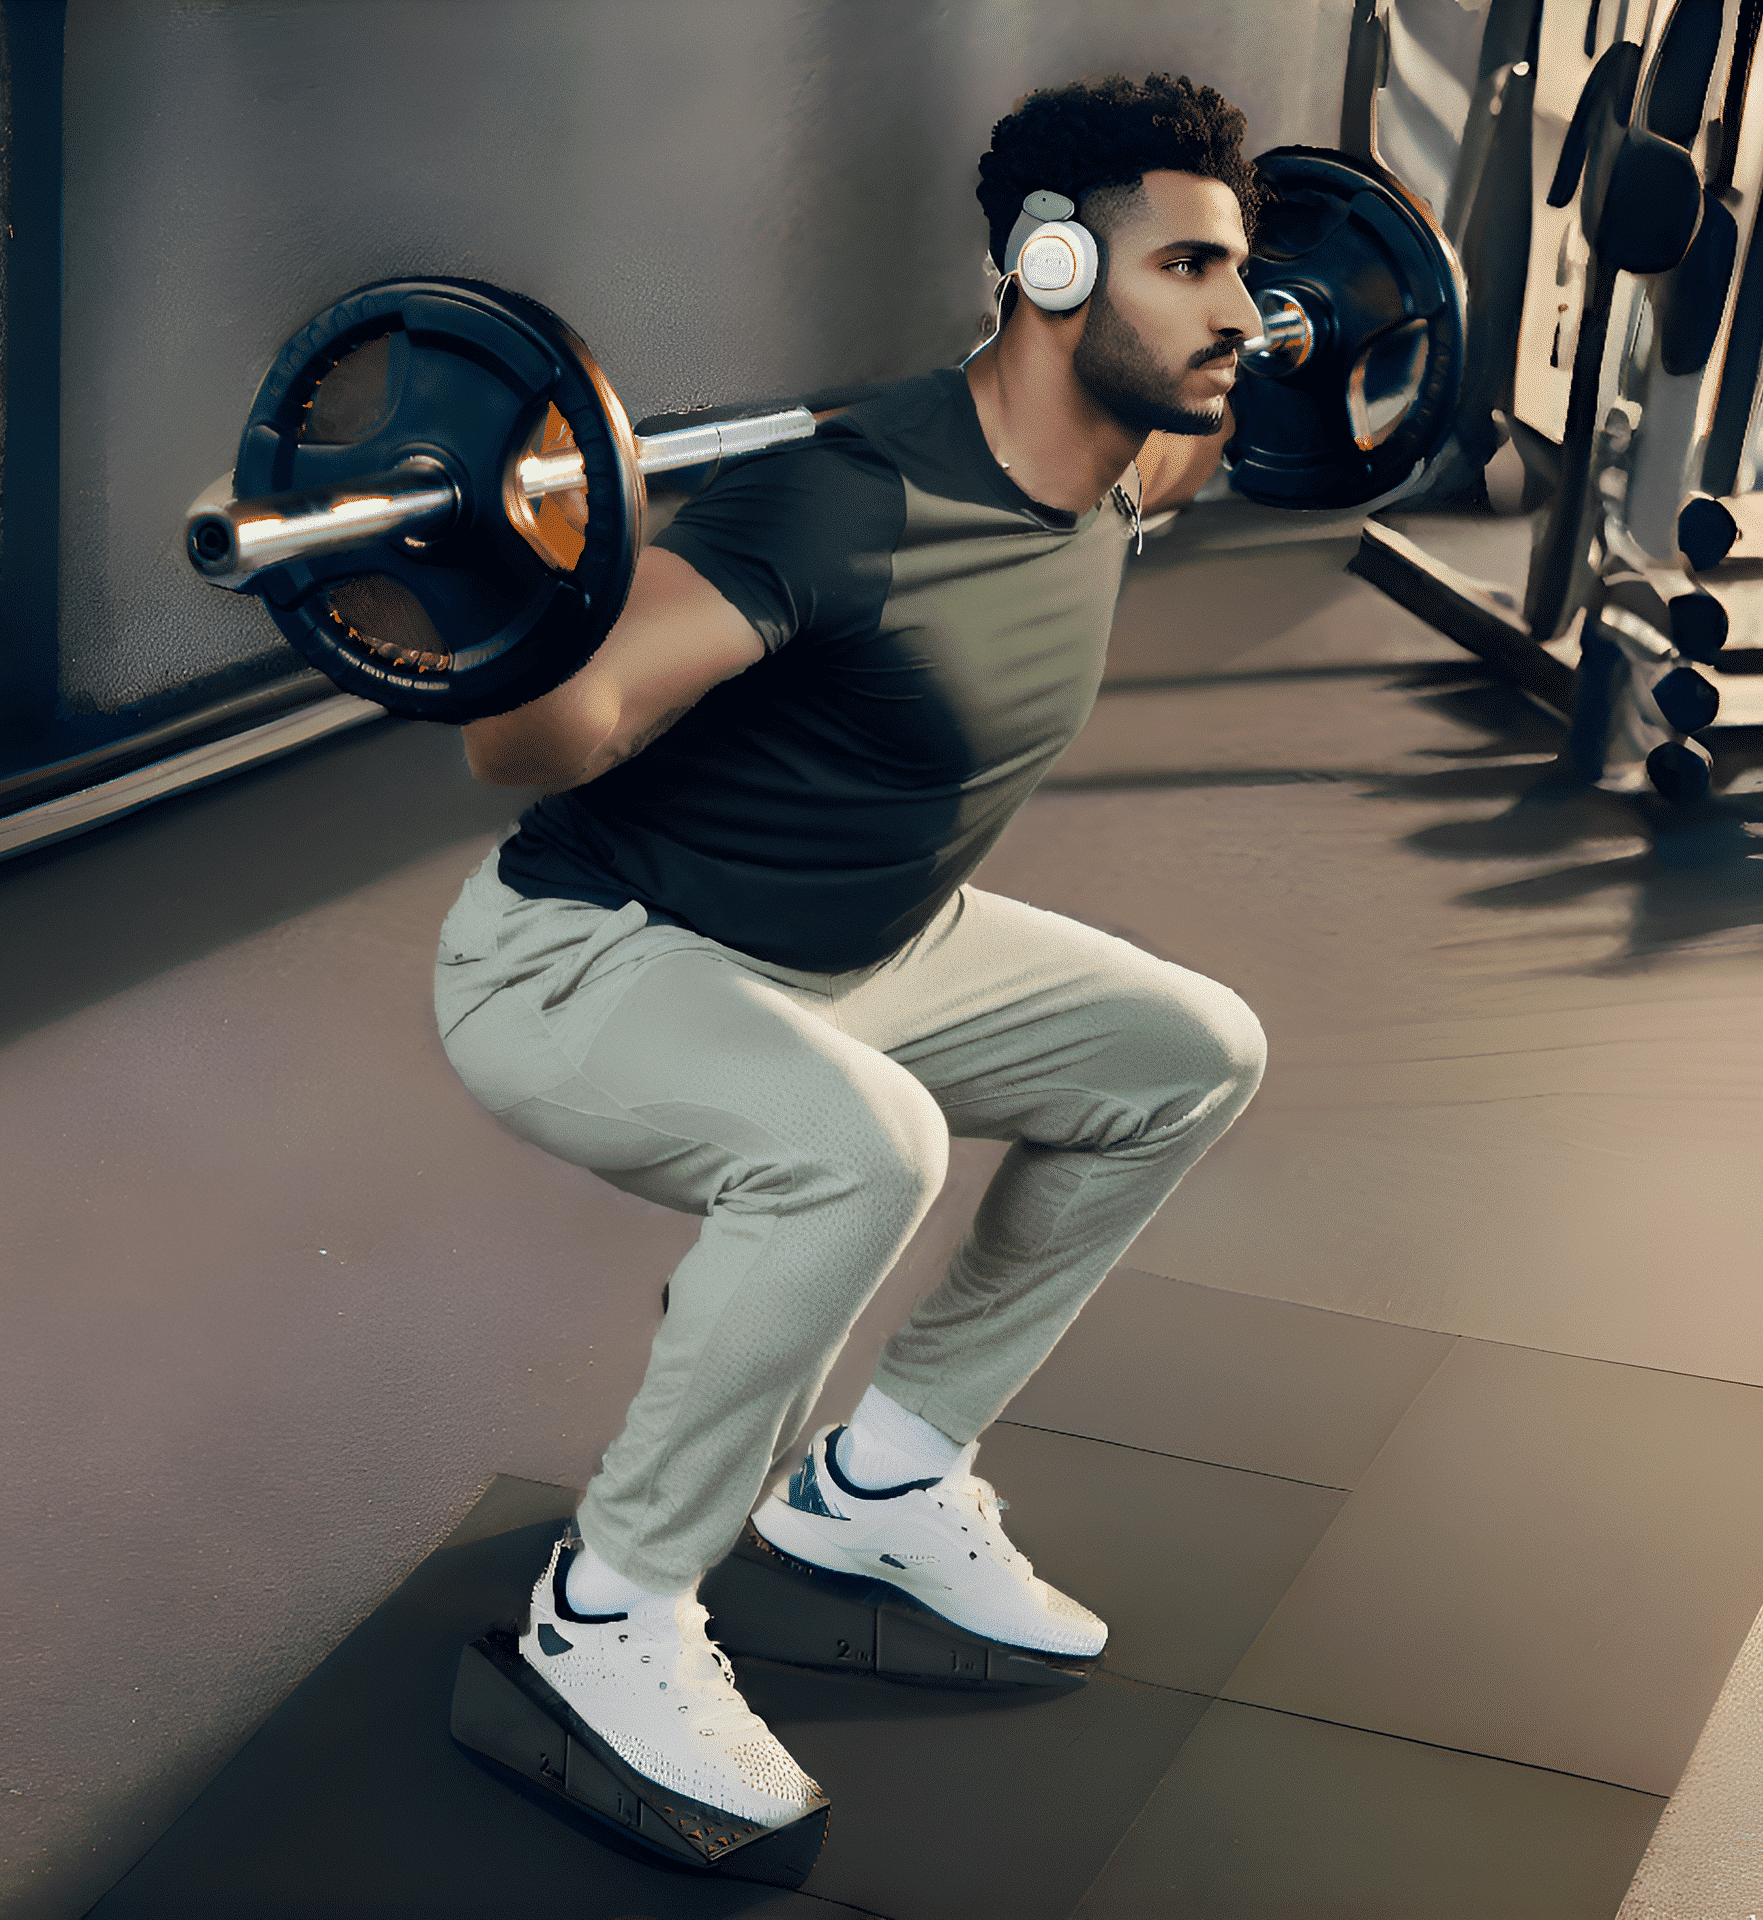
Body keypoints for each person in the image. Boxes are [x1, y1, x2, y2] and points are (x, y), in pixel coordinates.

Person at [435, 71, 1269, 1832]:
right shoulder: (843, 504)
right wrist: (505, 588)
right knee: (856, 1149)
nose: (1245, 315)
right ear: (1049, 266)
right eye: (1192, 268)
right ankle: (606, 1615)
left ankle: (880, 1479)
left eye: (1248, 271)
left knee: (1192, 1053)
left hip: (874, 942)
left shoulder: (1142, 455)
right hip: (593, 956)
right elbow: (541, 740)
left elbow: (1284, 395)